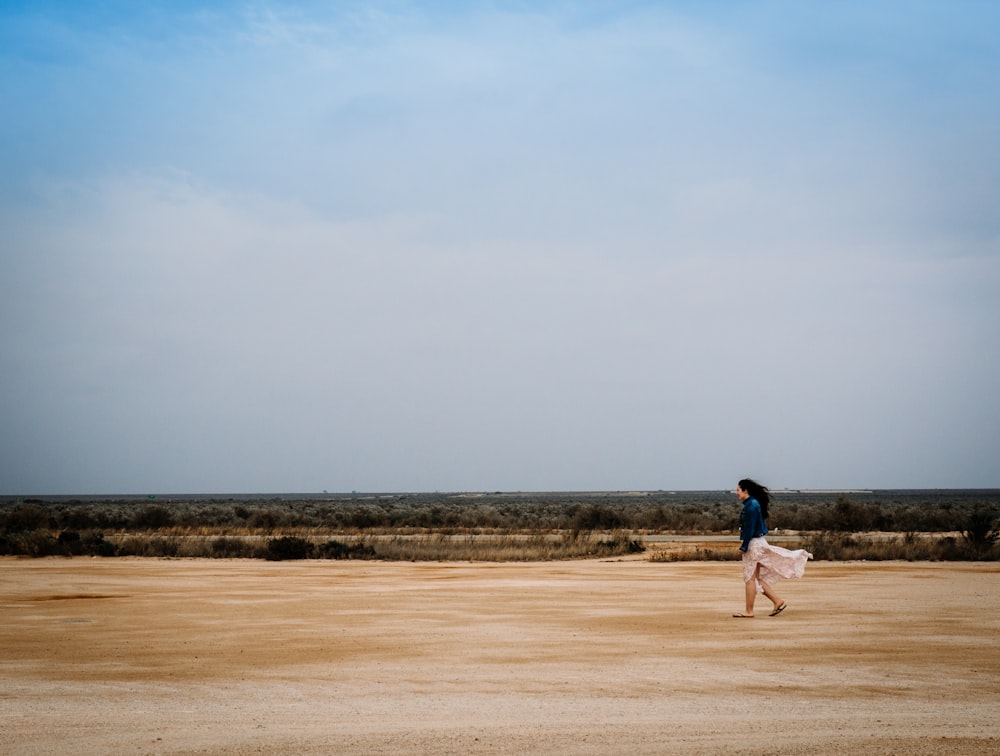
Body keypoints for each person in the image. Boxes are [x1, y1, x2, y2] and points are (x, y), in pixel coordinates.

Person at [732, 478, 812, 618]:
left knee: (750, 578)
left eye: (738, 489)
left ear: (745, 490)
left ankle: (749, 611)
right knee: (756, 578)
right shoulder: (753, 504)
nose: (736, 492)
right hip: (758, 542)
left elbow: (750, 528)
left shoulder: (751, 506)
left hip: (753, 544)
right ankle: (777, 601)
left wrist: (744, 547)